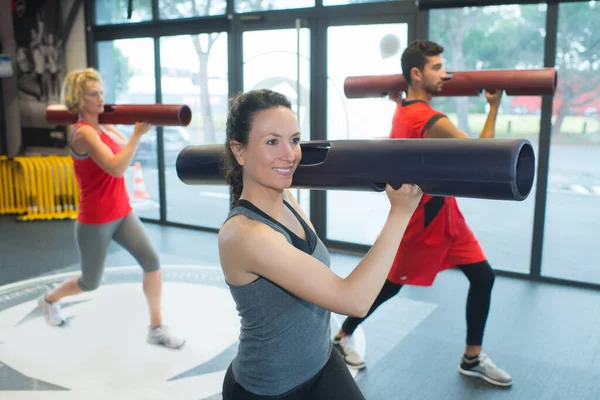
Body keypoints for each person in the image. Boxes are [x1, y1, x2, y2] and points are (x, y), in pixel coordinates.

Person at [218, 89, 422, 399]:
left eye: (295, 140)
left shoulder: (285, 198)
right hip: (270, 388)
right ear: (240, 151)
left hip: (321, 361)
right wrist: (400, 213)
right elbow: (354, 300)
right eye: (272, 141)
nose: (290, 154)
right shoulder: (246, 235)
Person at [333, 39, 513, 387]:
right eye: (436, 68)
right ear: (416, 74)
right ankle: (341, 336)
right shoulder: (427, 118)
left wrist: (399, 98)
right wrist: (493, 107)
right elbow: (484, 157)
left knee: (483, 277)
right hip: (422, 223)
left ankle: (471, 357)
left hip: (448, 217)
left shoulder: (403, 109)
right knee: (389, 287)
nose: (445, 75)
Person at [37, 68, 185, 349]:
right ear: (79, 99)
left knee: (152, 263)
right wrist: (137, 135)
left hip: (122, 212)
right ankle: (49, 299)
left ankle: (156, 328)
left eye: (102, 92)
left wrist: (125, 130)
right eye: (94, 94)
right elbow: (117, 168)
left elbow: (121, 149)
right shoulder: (82, 134)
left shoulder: (103, 128)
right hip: (96, 220)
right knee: (90, 282)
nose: (101, 98)